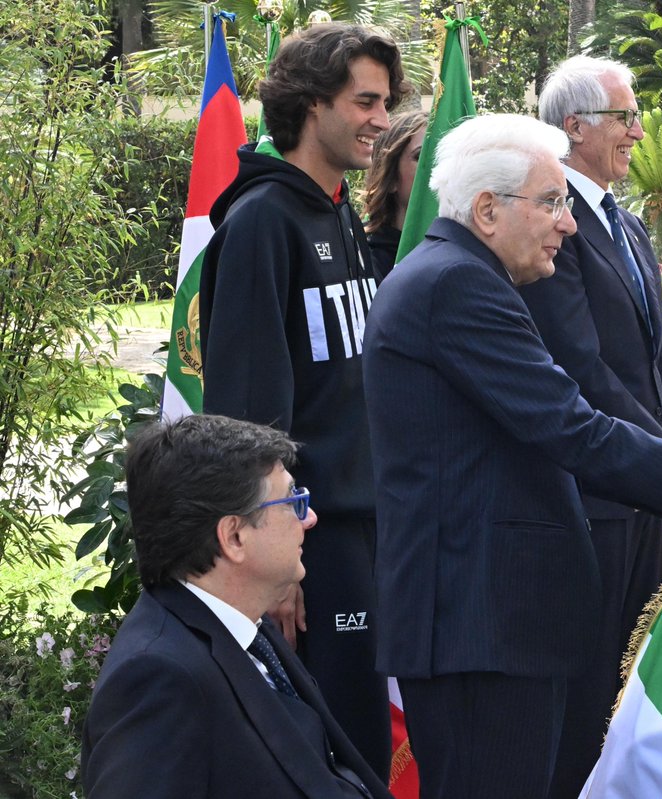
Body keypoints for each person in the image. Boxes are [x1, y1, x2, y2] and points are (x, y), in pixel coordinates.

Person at [362, 113, 662, 799]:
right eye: (551, 201)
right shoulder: (456, 285)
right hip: (480, 629)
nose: (568, 223)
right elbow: (577, 429)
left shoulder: (462, 275)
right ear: (486, 209)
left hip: (491, 624)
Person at [198, 23, 406, 779]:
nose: (382, 120)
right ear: (310, 104)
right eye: (366, 101)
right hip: (311, 546)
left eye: (386, 103)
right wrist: (278, 565)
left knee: (365, 748)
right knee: (335, 753)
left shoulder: (339, 210)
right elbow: (247, 416)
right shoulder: (261, 222)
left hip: (362, 532)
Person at [521, 54, 662, 796]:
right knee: (589, 697)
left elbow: (660, 361)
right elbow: (584, 371)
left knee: (628, 693)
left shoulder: (626, 223)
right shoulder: (551, 226)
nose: (639, 130)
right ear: (575, 126)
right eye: (626, 117)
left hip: (644, 496)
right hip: (594, 500)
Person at [81, 414, 391, 799]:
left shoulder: (246, 624)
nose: (309, 518)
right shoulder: (157, 678)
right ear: (234, 537)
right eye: (293, 501)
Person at [361, 109, 427, 281]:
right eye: (421, 156)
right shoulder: (361, 255)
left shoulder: (464, 250)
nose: (436, 166)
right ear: (390, 179)